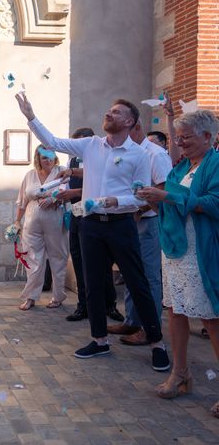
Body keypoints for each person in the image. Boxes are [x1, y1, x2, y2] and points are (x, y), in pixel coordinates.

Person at [15, 93, 170, 371]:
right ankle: (99, 340)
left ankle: (157, 343)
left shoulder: (139, 155)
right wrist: (31, 116)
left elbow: (143, 196)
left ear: (130, 121)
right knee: (93, 284)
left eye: (117, 112)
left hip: (122, 225)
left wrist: (116, 201)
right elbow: (53, 142)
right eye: (109, 110)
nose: (109, 114)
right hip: (91, 225)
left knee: (137, 282)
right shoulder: (90, 145)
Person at [136, 110, 219, 418]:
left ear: (208, 138)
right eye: (178, 138)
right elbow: (170, 195)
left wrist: (169, 198)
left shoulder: (216, 164)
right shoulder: (183, 166)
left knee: (211, 317)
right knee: (176, 310)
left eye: (186, 138)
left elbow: (215, 203)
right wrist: (152, 198)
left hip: (202, 249)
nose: (180, 144)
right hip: (176, 251)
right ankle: (180, 372)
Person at [108, 118, 172, 345]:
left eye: (123, 130)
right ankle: (132, 320)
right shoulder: (129, 152)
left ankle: (149, 327)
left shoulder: (155, 154)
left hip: (148, 221)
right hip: (130, 220)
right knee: (131, 272)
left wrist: (139, 208)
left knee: (149, 277)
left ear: (136, 128)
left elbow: (163, 190)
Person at [56, 128, 119, 322]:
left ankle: (110, 305)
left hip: (96, 214)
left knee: (104, 261)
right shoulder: (72, 161)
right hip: (77, 213)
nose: (78, 149)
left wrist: (75, 193)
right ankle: (83, 305)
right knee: (78, 259)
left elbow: (102, 186)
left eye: (80, 144)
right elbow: (66, 184)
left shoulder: (103, 157)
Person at [15, 145, 69, 310]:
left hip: (55, 218)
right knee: (32, 259)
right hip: (32, 220)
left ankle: (58, 296)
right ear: (38, 159)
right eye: (44, 157)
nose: (48, 160)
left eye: (51, 157)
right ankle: (31, 297)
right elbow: (22, 201)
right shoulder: (30, 175)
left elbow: (65, 190)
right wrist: (17, 221)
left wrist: (54, 199)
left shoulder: (62, 171)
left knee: (58, 257)